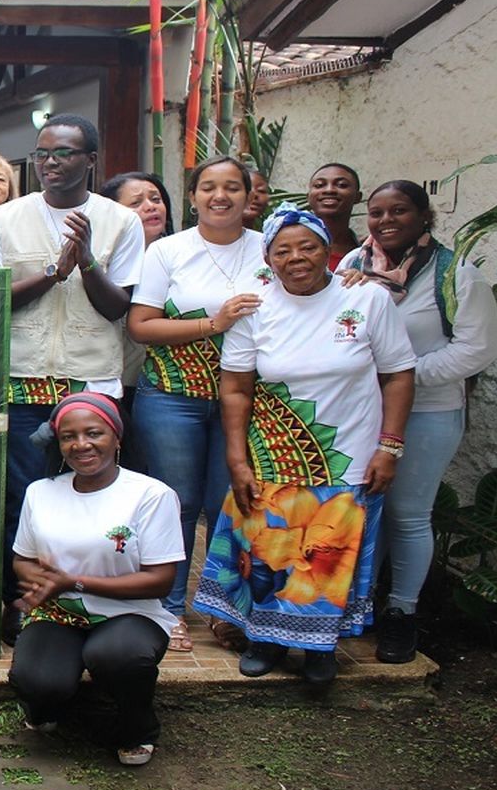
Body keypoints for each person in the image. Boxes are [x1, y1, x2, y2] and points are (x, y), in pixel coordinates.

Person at [192, 203, 416, 684]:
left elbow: (398, 374)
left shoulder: (367, 301)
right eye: (283, 250)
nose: (296, 257)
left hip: (349, 457)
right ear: (269, 258)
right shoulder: (255, 308)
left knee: (327, 556)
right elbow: (235, 387)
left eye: (308, 246)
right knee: (270, 552)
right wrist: (236, 457)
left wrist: (389, 446)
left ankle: (319, 650)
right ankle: (266, 641)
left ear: (327, 251)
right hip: (271, 454)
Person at [0, 114, 145, 642]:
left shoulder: (121, 221)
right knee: (23, 498)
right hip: (21, 379)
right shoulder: (5, 220)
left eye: (65, 153)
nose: (50, 162)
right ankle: (21, 601)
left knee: (88, 496)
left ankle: (86, 598)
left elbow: (121, 309)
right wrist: (53, 273)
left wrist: (88, 260)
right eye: (43, 153)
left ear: (90, 161)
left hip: (90, 383)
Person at [338, 181, 497, 662]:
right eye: (377, 212)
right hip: (363, 414)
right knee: (365, 510)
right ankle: (358, 606)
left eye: (400, 211)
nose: (386, 221)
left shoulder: (455, 275)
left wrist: (403, 377)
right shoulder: (352, 267)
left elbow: (477, 348)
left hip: (428, 412)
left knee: (408, 515)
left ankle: (401, 614)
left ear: (424, 216)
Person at [125, 156, 265, 653]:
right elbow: (140, 325)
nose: (219, 196)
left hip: (249, 400)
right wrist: (214, 324)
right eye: (208, 187)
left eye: (232, 187)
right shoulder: (168, 251)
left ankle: (227, 610)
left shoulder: (270, 250)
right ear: (193, 196)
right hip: (172, 398)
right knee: (177, 504)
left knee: (230, 505)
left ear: (250, 196)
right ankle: (170, 608)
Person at [9, 393, 182, 767]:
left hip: (129, 613)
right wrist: (37, 580)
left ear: (117, 437)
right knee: (38, 683)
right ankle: (55, 703)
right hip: (58, 613)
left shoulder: (151, 495)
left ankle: (137, 728)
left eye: (94, 433)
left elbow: (161, 580)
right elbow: (22, 558)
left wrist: (73, 582)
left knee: (116, 656)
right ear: (59, 443)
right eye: (69, 436)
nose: (81, 444)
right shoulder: (41, 492)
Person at [100, 171, 174, 422]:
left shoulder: (183, 255)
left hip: (169, 386)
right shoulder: (99, 261)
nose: (150, 207)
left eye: (156, 199)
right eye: (136, 203)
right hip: (114, 381)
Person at [307, 162, 362, 269]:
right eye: (319, 185)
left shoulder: (369, 255)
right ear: (308, 197)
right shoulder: (282, 246)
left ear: (357, 197)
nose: (329, 190)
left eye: (341, 185)